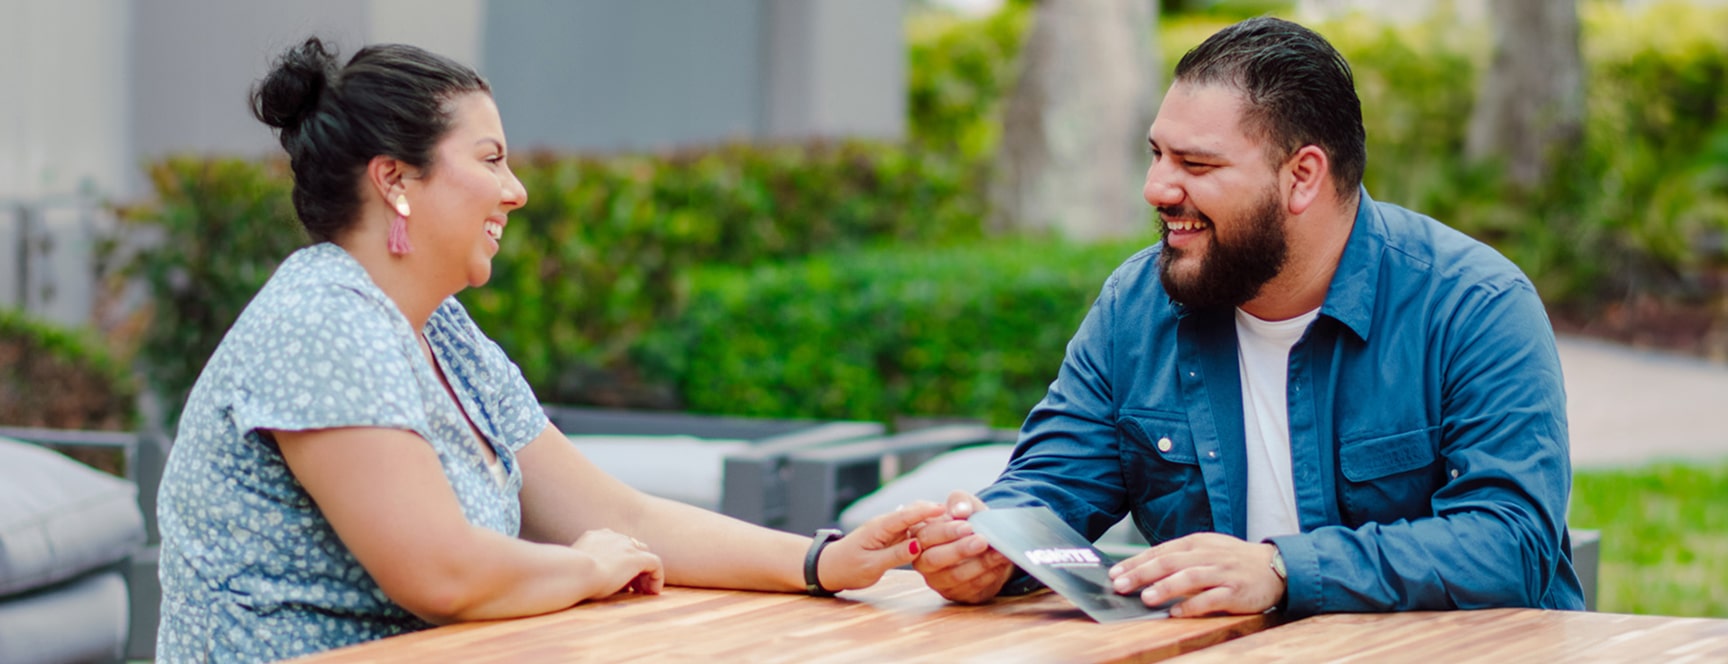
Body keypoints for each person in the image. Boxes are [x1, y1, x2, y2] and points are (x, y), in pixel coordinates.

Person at [155, 38, 944, 662]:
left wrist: (821, 564)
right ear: (395, 180)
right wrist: (589, 569)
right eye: (491, 159)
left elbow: (614, 514)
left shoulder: (441, 331)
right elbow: (443, 575)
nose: (516, 190)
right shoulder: (321, 321)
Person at [910, 16, 1585, 618]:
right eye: (1157, 155)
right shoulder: (1136, 305)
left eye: (1196, 164)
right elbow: (1051, 486)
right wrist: (990, 545)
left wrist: (1281, 569)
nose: (1157, 189)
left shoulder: (1474, 305)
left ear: (1303, 176)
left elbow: (1510, 541)